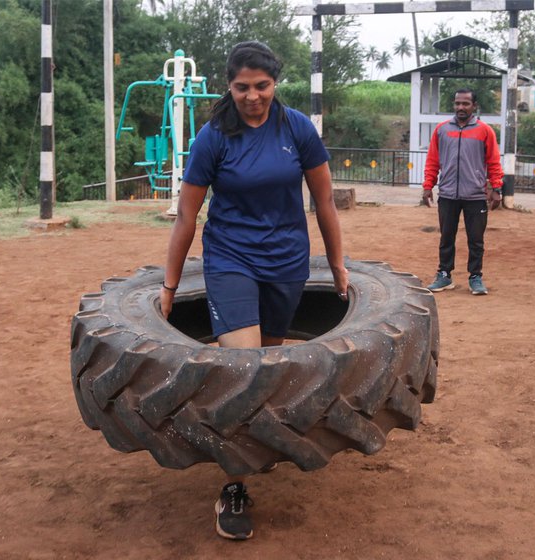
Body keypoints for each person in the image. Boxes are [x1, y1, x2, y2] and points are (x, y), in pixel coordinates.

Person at [159, 41, 348, 541]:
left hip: (287, 262)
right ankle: (234, 485)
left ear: (274, 84)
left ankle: (259, 442)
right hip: (230, 261)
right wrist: (171, 282)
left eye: (261, 86)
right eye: (242, 87)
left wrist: (336, 262)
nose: (252, 96)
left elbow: (324, 200)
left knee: (267, 366)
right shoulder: (214, 137)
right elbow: (187, 214)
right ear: (229, 85)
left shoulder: (297, 129)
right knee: (242, 371)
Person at [422, 88, 503, 296]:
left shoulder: (485, 131)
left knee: (476, 239)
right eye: (458, 103)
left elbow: (493, 161)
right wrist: (427, 186)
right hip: (448, 194)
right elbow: (433, 160)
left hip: (475, 195)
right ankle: (444, 275)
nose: (461, 107)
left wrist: (496, 188)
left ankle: (475, 277)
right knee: (446, 237)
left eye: (465, 103)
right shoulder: (441, 130)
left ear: (474, 106)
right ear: (453, 105)